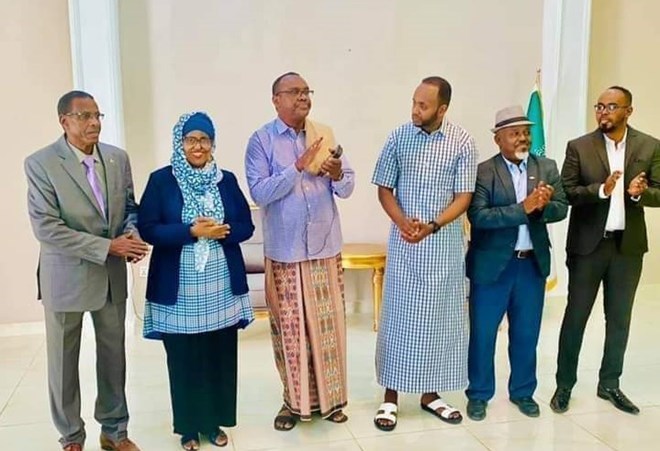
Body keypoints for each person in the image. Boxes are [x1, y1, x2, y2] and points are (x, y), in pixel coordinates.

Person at [24, 91, 147, 451]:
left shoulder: (117, 158)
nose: (94, 123)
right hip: (65, 277)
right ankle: (71, 437)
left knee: (113, 357)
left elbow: (130, 208)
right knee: (63, 362)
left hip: (111, 278)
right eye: (84, 116)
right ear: (64, 121)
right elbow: (47, 227)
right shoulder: (41, 163)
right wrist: (108, 247)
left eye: (97, 115)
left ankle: (115, 431)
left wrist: (132, 236)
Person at [244, 72, 355, 430]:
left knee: (327, 329)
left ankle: (331, 400)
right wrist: (297, 167)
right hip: (286, 251)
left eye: (307, 91)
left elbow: (348, 186)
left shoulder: (324, 133)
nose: (303, 97)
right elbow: (260, 193)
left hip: (324, 247)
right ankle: (294, 403)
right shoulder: (261, 140)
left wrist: (336, 174)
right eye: (294, 92)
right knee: (291, 333)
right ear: (276, 99)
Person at [138, 112, 254, 450]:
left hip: (221, 286)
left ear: (213, 143)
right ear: (181, 143)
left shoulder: (226, 180)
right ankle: (188, 428)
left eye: (204, 139)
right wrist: (191, 231)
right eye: (191, 139)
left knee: (219, 355)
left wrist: (221, 232)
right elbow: (149, 229)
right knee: (184, 359)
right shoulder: (162, 180)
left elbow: (246, 225)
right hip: (179, 288)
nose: (198, 146)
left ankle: (214, 422)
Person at [371, 76, 477, 431]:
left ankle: (430, 395)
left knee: (438, 321)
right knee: (399, 320)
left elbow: (464, 196)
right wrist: (404, 223)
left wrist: (432, 225)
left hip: (443, 246)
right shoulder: (399, 137)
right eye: (414, 102)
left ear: (442, 109)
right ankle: (390, 397)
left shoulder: (462, 142)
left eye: (423, 105)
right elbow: (384, 188)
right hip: (405, 244)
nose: (415, 110)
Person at [551, 86, 660, 415]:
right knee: (576, 317)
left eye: (611, 106)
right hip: (588, 248)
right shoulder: (579, 147)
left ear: (628, 111)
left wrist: (639, 193)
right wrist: (601, 190)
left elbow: (659, 192)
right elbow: (567, 192)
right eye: (599, 106)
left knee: (619, 319)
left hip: (627, 248)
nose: (603, 112)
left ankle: (610, 383)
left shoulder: (649, 146)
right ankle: (564, 385)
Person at [465, 105, 568, 421]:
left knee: (526, 334)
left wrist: (543, 207)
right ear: (498, 139)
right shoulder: (483, 172)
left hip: (530, 266)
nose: (522, 138)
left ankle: (523, 392)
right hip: (492, 267)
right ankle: (479, 394)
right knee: (483, 335)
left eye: (526, 132)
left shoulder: (546, 167)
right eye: (514, 133)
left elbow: (561, 207)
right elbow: (478, 216)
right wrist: (523, 208)